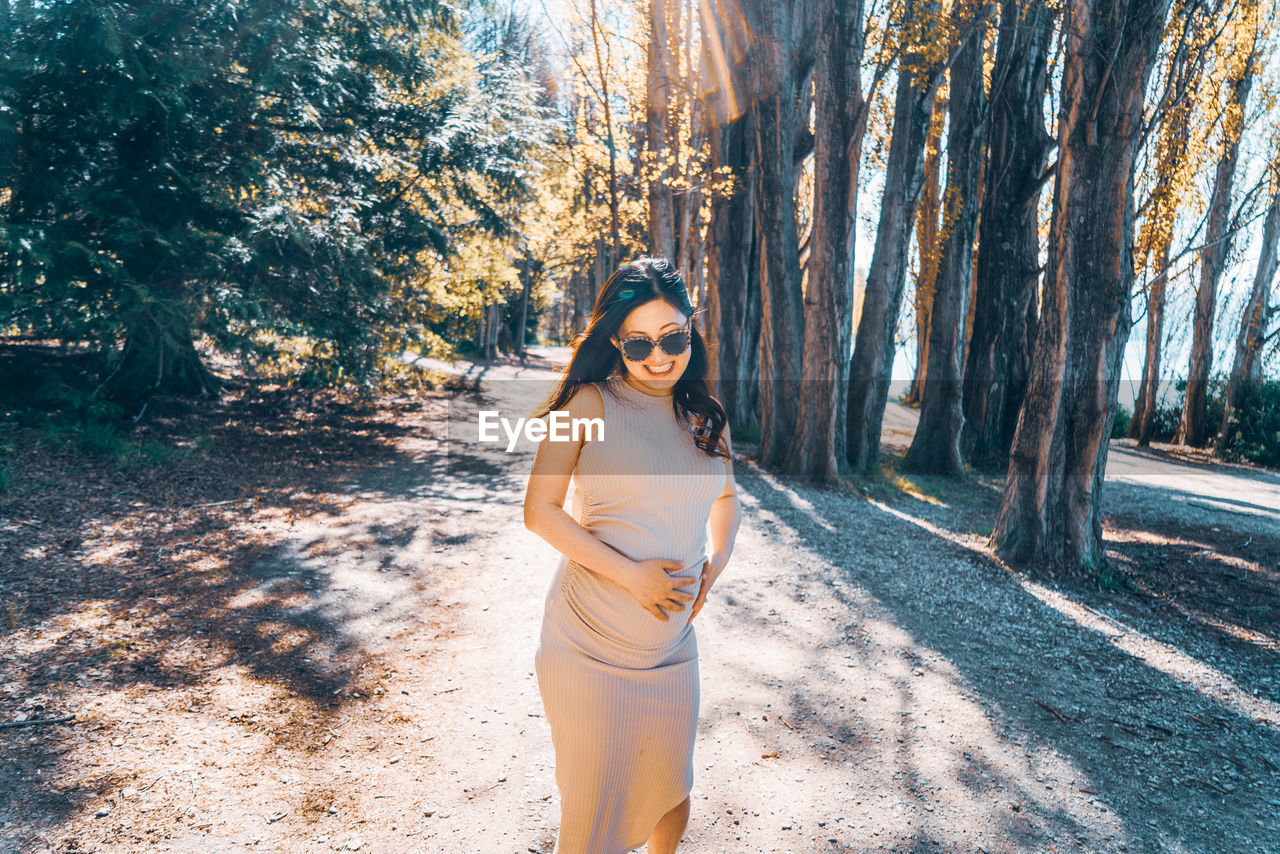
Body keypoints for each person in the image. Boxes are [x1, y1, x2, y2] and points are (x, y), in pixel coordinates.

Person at [523, 256, 742, 853]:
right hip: (588, 644)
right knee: (593, 814)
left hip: (672, 649)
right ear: (615, 341)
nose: (659, 357)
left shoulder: (706, 417)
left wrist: (713, 569)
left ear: (691, 329)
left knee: (671, 792)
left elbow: (726, 502)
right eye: (639, 343)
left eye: (673, 338)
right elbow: (538, 510)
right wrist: (632, 577)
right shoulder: (586, 406)